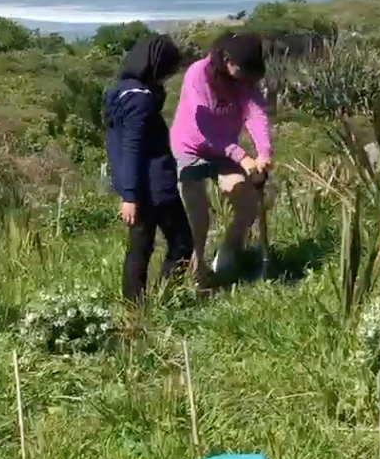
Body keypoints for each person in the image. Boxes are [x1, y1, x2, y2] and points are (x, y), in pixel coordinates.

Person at [170, 31, 272, 280]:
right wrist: (241, 156)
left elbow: (255, 113)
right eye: (243, 70)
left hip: (224, 151)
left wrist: (263, 151)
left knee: (247, 203)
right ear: (227, 59)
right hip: (191, 149)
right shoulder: (198, 75)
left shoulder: (243, 78)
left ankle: (228, 256)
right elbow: (204, 129)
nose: (246, 77)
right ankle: (197, 273)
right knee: (199, 218)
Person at [104, 34, 193, 302]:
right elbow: (133, 146)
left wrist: (127, 191)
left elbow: (119, 145)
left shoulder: (120, 92)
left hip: (135, 184)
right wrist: (130, 195)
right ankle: (168, 296)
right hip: (155, 186)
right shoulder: (142, 100)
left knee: (140, 249)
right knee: (181, 243)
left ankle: (135, 307)